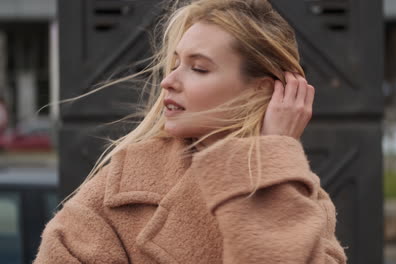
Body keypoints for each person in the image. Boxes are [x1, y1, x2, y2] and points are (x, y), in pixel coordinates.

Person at [34, 0, 348, 263]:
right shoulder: (121, 188)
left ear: (259, 90)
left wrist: (269, 160)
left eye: (198, 68)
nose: (168, 81)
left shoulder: (302, 204)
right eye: (174, 64)